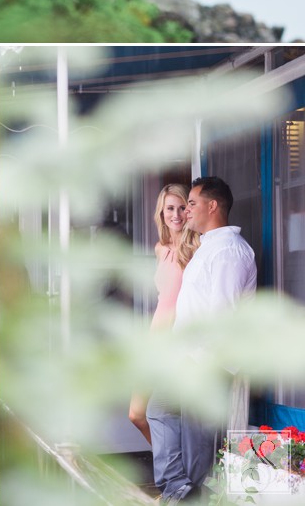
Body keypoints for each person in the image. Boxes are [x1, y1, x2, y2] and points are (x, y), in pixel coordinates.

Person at [147, 176, 257, 503]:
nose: (187, 210)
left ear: (212, 206)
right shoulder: (209, 246)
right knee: (159, 409)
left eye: (192, 203)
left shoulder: (229, 252)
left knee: (198, 449)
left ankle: (188, 495)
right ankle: (177, 489)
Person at [128, 184, 200, 444]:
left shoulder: (197, 248)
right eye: (170, 208)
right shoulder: (160, 248)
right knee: (136, 413)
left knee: (173, 414)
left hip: (178, 341)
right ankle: (170, 465)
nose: (177, 214)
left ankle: (174, 474)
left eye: (183, 207)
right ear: (162, 212)